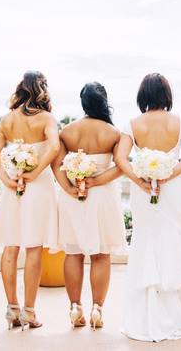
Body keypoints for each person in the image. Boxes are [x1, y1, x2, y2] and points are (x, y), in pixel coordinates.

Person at [114, 73, 181, 342]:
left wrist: (140, 180)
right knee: (174, 241)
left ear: (143, 95)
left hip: (144, 189)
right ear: (166, 95)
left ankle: (146, 314)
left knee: (145, 239)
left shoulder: (132, 123)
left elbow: (120, 158)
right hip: (173, 187)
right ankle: (177, 314)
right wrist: (169, 172)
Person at [52, 82, 127, 330]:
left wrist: (70, 188)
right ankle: (97, 308)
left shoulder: (67, 131)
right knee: (100, 254)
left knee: (73, 253)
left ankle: (75, 307)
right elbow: (120, 167)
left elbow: (56, 165)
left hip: (73, 198)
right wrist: (95, 181)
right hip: (102, 196)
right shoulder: (113, 133)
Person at [0, 71, 60, 330]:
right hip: (37, 188)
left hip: (12, 190)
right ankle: (30, 311)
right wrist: (36, 172)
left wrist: (6, 180)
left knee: (11, 246)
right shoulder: (47, 118)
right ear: (42, 89)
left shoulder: (7, 120)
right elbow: (54, 147)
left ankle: (12, 309)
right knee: (33, 248)